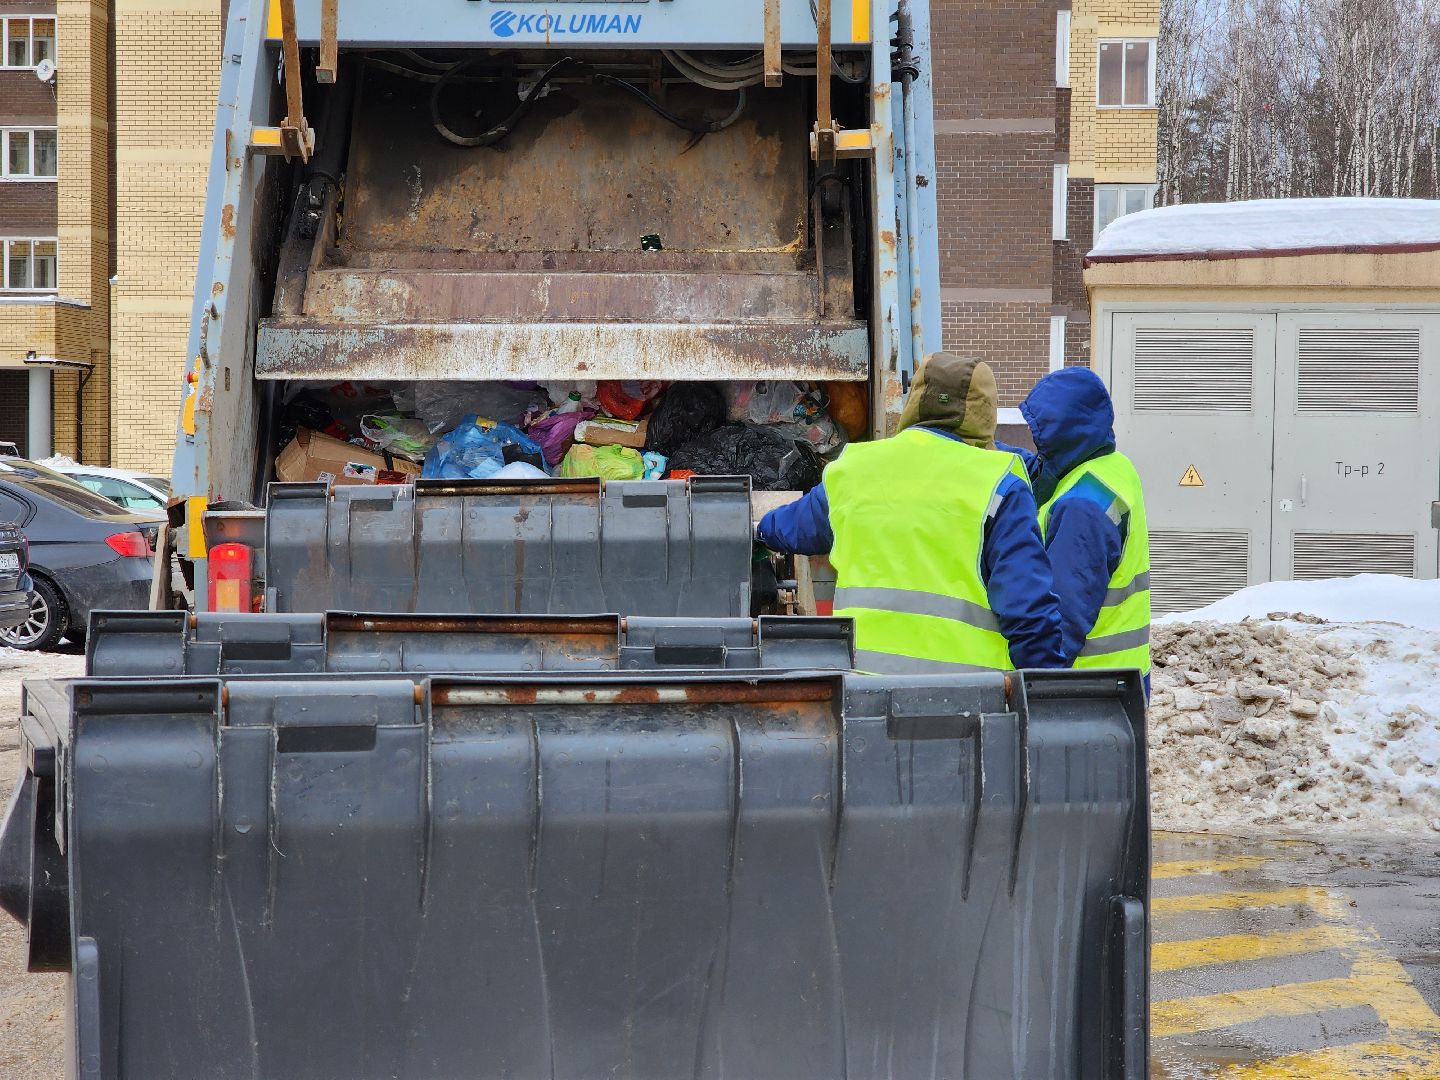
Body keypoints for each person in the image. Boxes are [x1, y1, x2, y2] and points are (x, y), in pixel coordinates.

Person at [756, 353, 1066, 674]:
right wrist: (1048, 689)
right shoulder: (999, 483)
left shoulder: (854, 468)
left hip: (863, 687)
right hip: (967, 693)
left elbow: (793, 526)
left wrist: (758, 531)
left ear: (915, 400)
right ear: (984, 412)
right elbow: (1028, 612)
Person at [1018, 367, 1151, 687]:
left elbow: (1062, 621)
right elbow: (1040, 468)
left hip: (1088, 688)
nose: (1035, 441)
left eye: (1040, 432)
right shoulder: (1111, 465)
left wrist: (1035, 684)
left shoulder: (1081, 508)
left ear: (1062, 434)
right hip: (1121, 677)